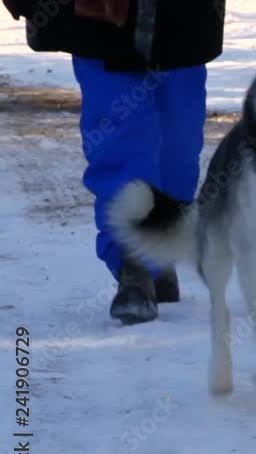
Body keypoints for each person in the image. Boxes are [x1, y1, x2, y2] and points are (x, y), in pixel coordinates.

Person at [4, 0, 225, 323]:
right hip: (97, 19)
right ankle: (133, 262)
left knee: (179, 138)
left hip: (185, 24)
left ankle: (161, 244)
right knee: (120, 135)